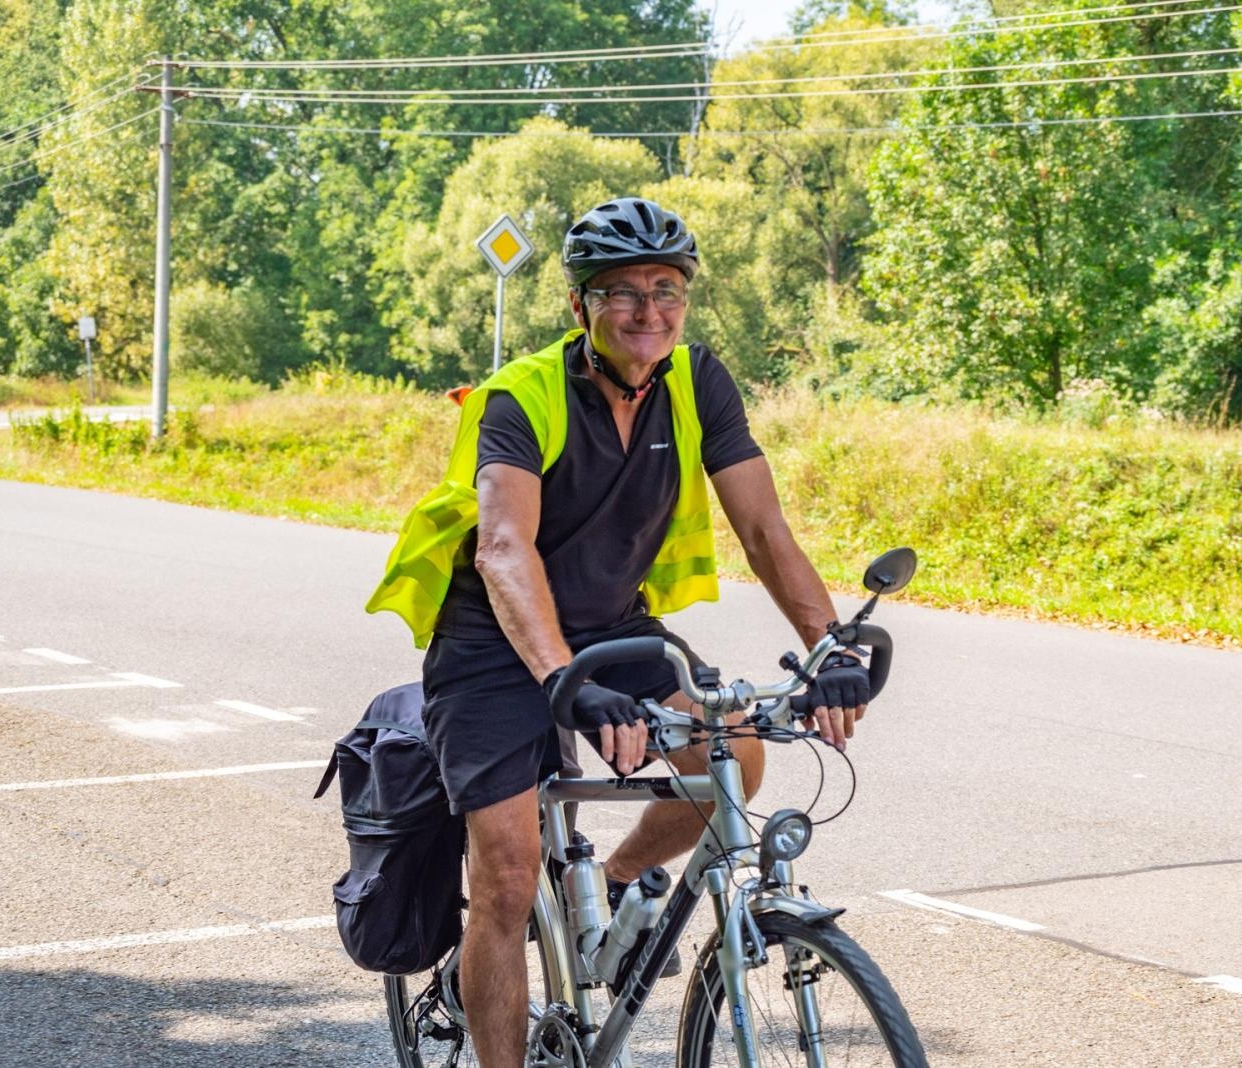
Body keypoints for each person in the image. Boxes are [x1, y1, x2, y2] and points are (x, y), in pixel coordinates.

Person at [366, 196, 871, 1068]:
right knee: (510, 876)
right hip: (492, 643)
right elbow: (503, 549)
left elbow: (765, 531)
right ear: (581, 307)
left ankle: (617, 879)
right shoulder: (519, 398)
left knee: (735, 759)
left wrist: (830, 647)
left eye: (666, 289)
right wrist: (566, 682)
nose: (648, 311)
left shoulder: (697, 382)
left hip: (615, 629)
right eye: (622, 292)